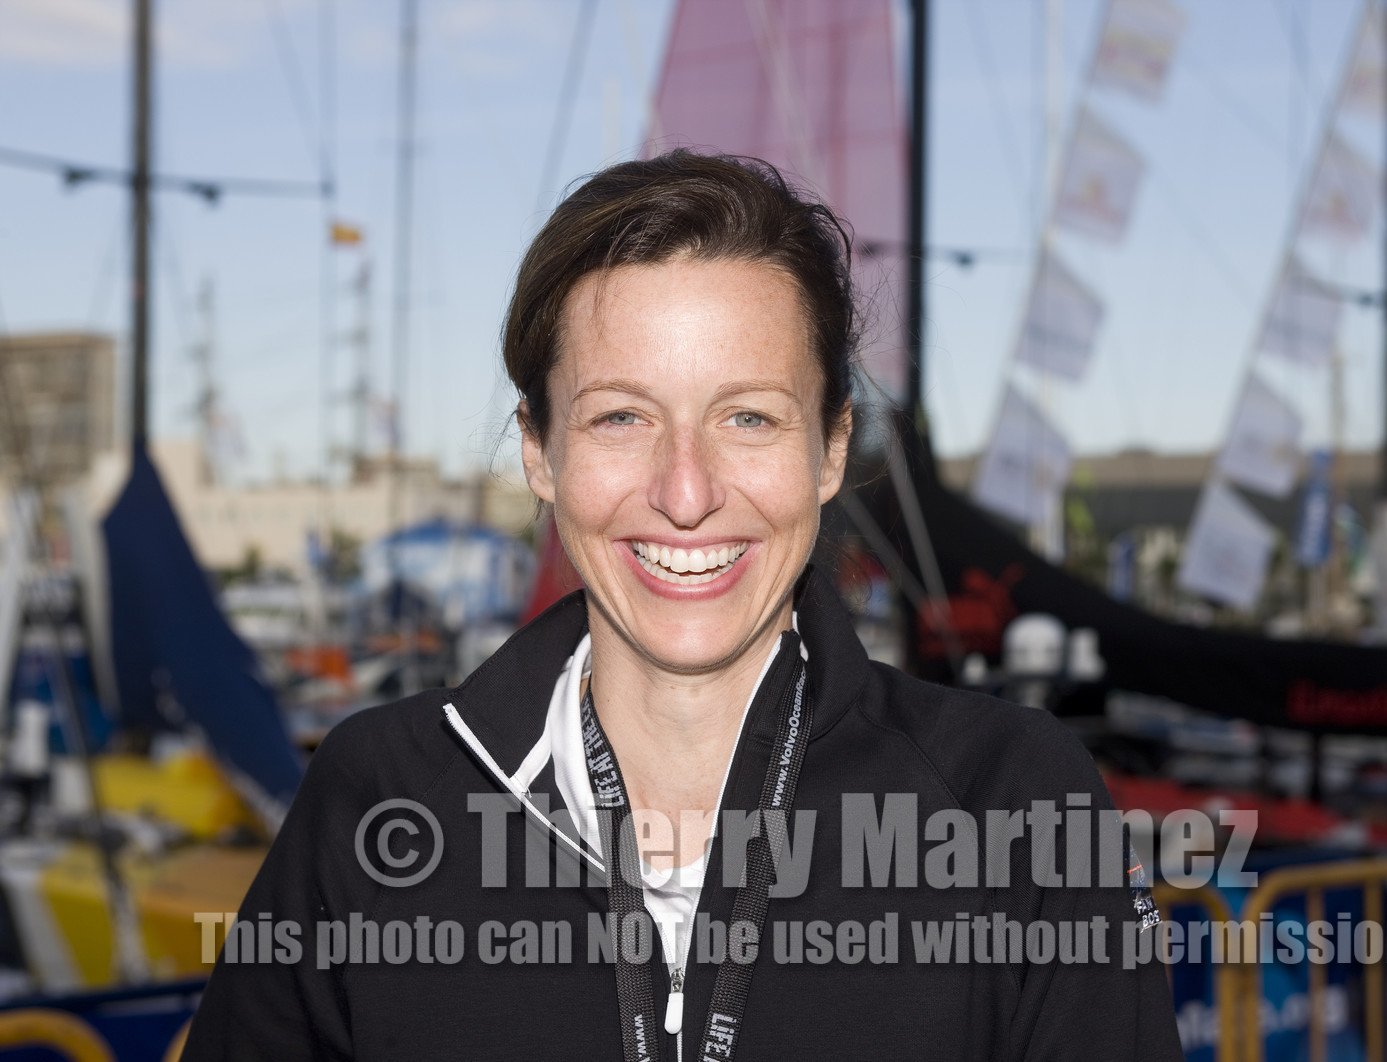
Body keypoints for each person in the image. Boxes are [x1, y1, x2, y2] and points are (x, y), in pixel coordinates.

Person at [183, 151, 1182, 1061]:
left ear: (831, 449)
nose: (687, 489)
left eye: (746, 417)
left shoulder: (1010, 799)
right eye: (622, 417)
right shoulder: (378, 796)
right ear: (539, 451)